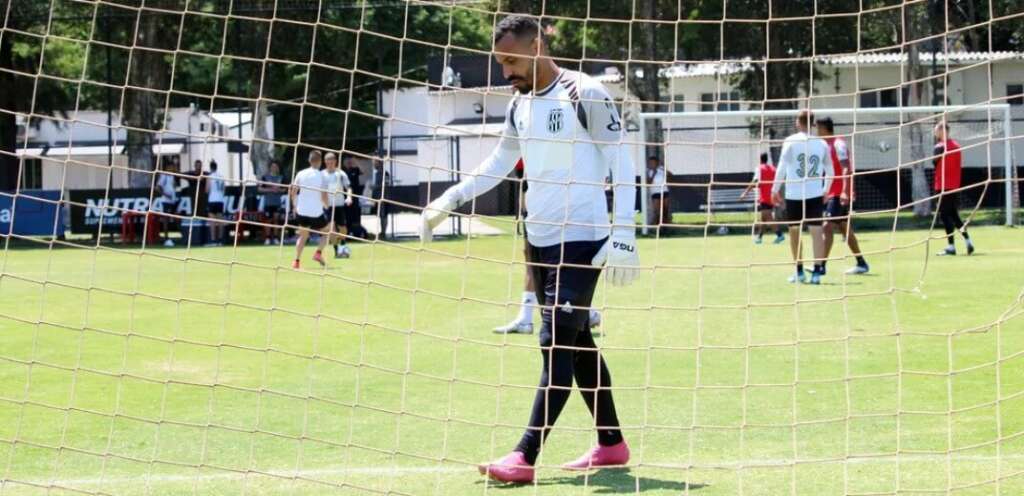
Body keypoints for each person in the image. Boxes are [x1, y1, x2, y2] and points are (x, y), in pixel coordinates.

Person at [419, 15, 638, 484]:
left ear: (538, 45)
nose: (506, 71)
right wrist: (452, 198)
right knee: (577, 343)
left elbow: (622, 158)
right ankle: (611, 442)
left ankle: (524, 455)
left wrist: (624, 233)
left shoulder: (586, 93)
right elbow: (501, 159)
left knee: (554, 340)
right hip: (538, 240)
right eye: (501, 62)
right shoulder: (519, 104)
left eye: (512, 60)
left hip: (583, 238)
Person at [493, 158, 601, 335]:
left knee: (553, 258)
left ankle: (584, 312)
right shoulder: (525, 148)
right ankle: (528, 317)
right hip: (535, 200)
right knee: (533, 258)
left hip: (549, 203)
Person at [771, 109, 833, 285]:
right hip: (814, 194)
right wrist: (825, 190)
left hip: (794, 195)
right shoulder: (821, 143)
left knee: (794, 232)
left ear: (798, 122)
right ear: (813, 124)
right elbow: (831, 170)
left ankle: (799, 272)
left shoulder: (790, 141)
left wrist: (775, 189)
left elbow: (782, 168)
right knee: (816, 232)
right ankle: (816, 274)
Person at [817, 117, 869, 274]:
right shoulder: (826, 145)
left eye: (817, 128)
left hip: (839, 193)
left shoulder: (838, 143)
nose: (816, 131)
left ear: (823, 128)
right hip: (833, 192)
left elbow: (846, 168)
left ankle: (820, 267)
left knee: (827, 226)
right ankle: (861, 263)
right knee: (844, 228)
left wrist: (845, 191)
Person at [933, 121, 974, 256]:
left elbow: (934, 162)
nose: (935, 133)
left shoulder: (939, 146)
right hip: (954, 185)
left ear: (941, 131)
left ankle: (951, 247)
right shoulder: (957, 146)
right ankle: (968, 242)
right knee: (953, 215)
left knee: (945, 215)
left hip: (943, 185)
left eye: (936, 130)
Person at [289, 150, 329, 269]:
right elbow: (324, 195)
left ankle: (296, 261)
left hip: (302, 211)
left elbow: (293, 192)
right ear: (320, 161)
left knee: (303, 236)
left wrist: (294, 206)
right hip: (316, 212)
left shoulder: (300, 173)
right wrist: (327, 206)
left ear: (309, 160)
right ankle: (318, 253)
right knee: (327, 232)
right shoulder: (322, 175)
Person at [740, 152, 785, 245]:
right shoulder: (773, 169)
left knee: (768, 218)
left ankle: (780, 235)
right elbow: (777, 183)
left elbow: (755, 181)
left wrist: (745, 193)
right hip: (772, 197)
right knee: (764, 219)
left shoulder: (759, 169)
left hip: (765, 197)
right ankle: (759, 238)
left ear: (760, 159)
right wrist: (778, 197)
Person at [323, 152, 353, 258]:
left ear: (335, 162)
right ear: (325, 162)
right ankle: (336, 251)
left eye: (332, 161)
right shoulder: (322, 174)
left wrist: (349, 197)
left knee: (343, 228)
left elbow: (348, 187)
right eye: (328, 161)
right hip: (327, 206)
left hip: (339, 205)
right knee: (331, 229)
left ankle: (342, 244)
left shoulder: (341, 173)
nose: (330, 163)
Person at [259, 160, 287, 245]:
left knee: (276, 220)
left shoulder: (281, 177)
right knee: (268, 221)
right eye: (273, 166)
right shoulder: (265, 177)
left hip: (277, 203)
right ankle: (267, 238)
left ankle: (275, 238)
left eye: (276, 166)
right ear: (270, 168)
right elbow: (260, 189)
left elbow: (285, 189)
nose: (274, 168)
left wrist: (278, 189)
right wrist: (270, 189)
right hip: (268, 203)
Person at [154, 158, 179, 247]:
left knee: (176, 218)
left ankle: (181, 237)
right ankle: (166, 239)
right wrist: (165, 194)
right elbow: (157, 187)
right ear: (167, 167)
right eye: (171, 166)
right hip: (166, 201)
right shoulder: (164, 175)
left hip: (173, 201)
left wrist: (175, 188)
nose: (172, 168)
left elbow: (173, 186)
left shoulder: (172, 175)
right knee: (166, 220)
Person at [342, 154, 366, 239]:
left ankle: (357, 233)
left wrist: (356, 162)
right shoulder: (342, 172)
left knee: (356, 215)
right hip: (345, 197)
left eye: (349, 161)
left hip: (355, 197)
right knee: (347, 216)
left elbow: (363, 171)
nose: (348, 162)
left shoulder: (355, 169)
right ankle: (347, 234)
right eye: (346, 161)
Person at [645, 155, 670, 230]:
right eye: (650, 163)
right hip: (655, 193)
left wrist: (664, 169)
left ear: (657, 163)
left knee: (665, 209)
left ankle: (666, 226)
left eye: (653, 162)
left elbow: (670, 175)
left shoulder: (661, 169)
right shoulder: (647, 171)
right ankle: (657, 226)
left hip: (664, 191)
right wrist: (653, 174)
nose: (652, 164)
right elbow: (648, 183)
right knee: (657, 210)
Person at [205, 160, 226, 246]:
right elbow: (224, 190)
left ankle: (213, 241)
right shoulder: (221, 177)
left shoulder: (209, 177)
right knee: (220, 221)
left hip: (212, 200)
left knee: (212, 222)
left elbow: (207, 190)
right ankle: (220, 240)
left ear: (210, 168)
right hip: (220, 200)